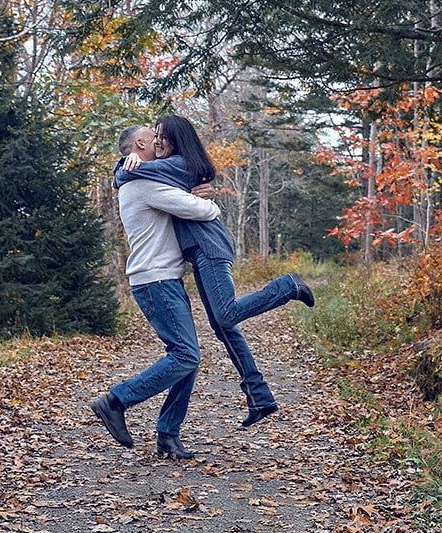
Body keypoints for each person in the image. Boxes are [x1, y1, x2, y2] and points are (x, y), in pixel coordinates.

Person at [114, 115, 314, 428]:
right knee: (223, 326)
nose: (156, 141)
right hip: (197, 253)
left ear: (177, 140)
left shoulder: (176, 164)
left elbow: (152, 175)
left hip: (209, 249)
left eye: (161, 136)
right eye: (153, 136)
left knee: (225, 315)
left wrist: (120, 168)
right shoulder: (173, 172)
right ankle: (258, 394)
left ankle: (287, 286)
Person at [89, 125, 221, 460]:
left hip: (162, 278)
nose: (160, 140)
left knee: (186, 359)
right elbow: (201, 211)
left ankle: (167, 434)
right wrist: (206, 199)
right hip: (155, 280)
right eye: (154, 136)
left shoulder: (141, 176)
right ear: (140, 144)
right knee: (186, 356)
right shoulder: (142, 181)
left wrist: (193, 190)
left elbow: (180, 193)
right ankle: (116, 401)